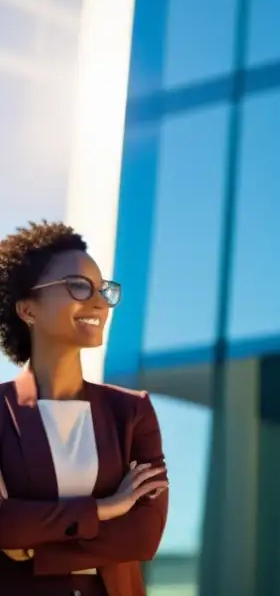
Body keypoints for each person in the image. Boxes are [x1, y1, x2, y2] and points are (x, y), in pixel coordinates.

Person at [0, 222, 169, 596]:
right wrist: (106, 508)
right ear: (28, 309)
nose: (98, 302)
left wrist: (36, 550)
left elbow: (143, 534)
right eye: (79, 286)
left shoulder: (132, 412)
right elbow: (3, 526)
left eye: (102, 289)